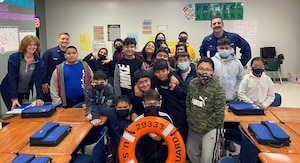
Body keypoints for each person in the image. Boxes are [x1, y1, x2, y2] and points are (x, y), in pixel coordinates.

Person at [186, 57, 226, 163]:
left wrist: (204, 126)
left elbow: (219, 113)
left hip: (211, 128)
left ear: (213, 71)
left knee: (207, 159)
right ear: (196, 69)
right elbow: (188, 103)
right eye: (201, 68)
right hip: (193, 126)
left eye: (208, 69)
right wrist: (190, 119)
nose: (204, 72)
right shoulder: (192, 84)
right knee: (191, 153)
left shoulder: (218, 88)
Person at [0, 35, 45, 110]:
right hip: (9, 91)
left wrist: (39, 97)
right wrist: (14, 98)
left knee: (24, 112)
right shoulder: (14, 58)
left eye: (35, 45)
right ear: (24, 45)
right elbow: (12, 78)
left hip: (24, 91)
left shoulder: (38, 61)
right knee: (14, 114)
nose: (32, 47)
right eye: (30, 45)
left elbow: (38, 80)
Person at [151, 59, 188, 143]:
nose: (161, 74)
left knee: (181, 142)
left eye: (163, 71)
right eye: (158, 72)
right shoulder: (154, 80)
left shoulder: (175, 78)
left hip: (180, 115)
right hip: (166, 116)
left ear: (168, 70)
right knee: (169, 142)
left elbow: (185, 93)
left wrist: (176, 88)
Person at [135, 89, 173, 163]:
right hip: (145, 159)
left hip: (164, 159)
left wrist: (162, 139)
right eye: (149, 104)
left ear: (160, 103)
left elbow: (173, 140)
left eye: (155, 104)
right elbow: (135, 146)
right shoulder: (138, 121)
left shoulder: (166, 118)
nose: (152, 106)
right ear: (143, 104)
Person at [211, 38, 244, 103]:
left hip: (233, 99)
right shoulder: (212, 61)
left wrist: (236, 91)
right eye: (222, 48)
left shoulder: (237, 62)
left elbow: (241, 78)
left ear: (230, 48)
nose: (224, 50)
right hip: (214, 99)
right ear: (217, 48)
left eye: (226, 48)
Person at [41, 32, 70, 102]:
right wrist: (44, 82)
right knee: (50, 103)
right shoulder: (50, 52)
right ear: (58, 40)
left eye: (67, 39)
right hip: (50, 84)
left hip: (64, 84)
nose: (64, 41)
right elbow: (42, 68)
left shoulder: (70, 53)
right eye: (62, 39)